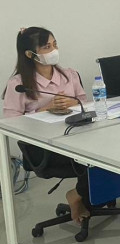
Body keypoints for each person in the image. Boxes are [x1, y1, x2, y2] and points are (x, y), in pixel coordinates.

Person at [3, 27, 90, 223]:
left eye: (54, 44)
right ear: (30, 54)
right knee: (92, 159)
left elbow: (86, 103)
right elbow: (10, 123)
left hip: (77, 136)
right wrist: (45, 109)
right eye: (47, 47)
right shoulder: (18, 84)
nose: (54, 50)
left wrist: (73, 102)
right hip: (43, 148)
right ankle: (78, 195)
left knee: (104, 150)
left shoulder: (69, 75)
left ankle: (80, 194)